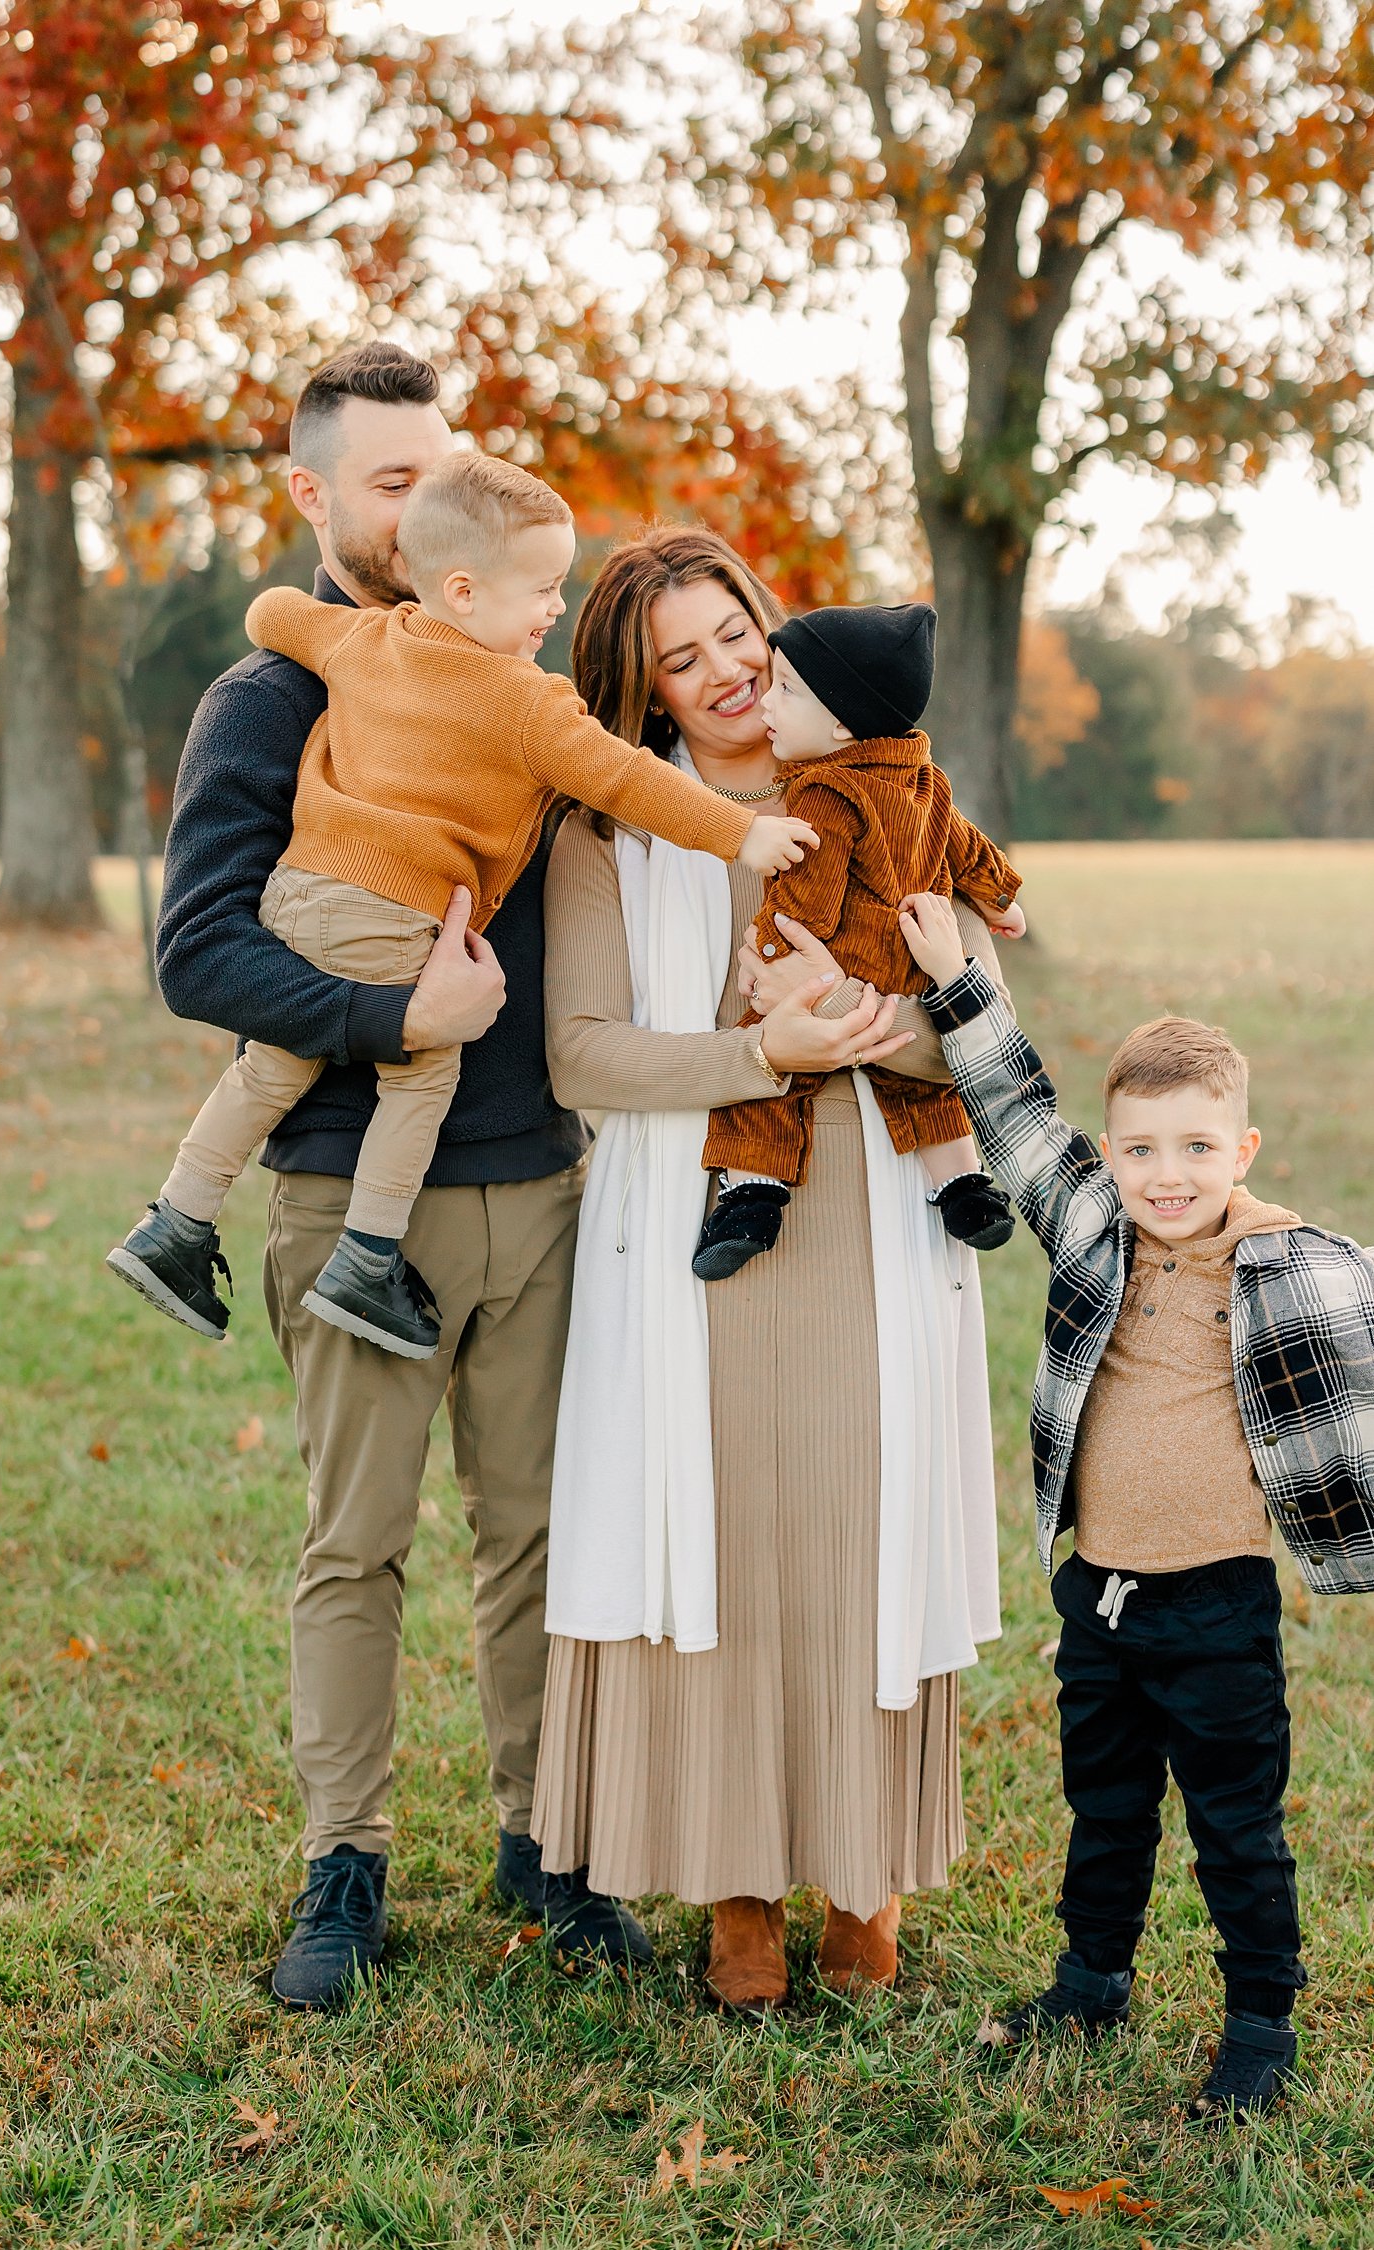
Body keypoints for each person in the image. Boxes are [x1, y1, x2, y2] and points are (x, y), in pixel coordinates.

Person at [151, 341, 653, 2009]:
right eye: (388, 475)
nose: (427, 492)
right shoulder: (274, 697)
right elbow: (201, 954)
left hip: (543, 1192)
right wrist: (388, 1014)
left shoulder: (520, 672)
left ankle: (547, 1844)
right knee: (354, 1547)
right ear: (310, 495)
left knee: (536, 1540)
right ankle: (344, 1868)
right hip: (345, 1192)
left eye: (443, 462)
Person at [531, 526, 1005, 2013]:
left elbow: (981, 1006)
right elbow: (580, 1052)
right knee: (721, 1534)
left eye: (736, 630)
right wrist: (760, 1051)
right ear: (646, 695)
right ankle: (739, 1884)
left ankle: (862, 1874)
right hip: (694, 1210)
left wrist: (871, 1025)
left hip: (878, 1192)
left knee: (862, 1516)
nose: (727, 669)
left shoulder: (888, 778)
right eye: (683, 657)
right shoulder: (610, 833)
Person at [112, 452, 811, 1359]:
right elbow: (629, 778)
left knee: (265, 1073)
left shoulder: (362, 640)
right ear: (466, 593)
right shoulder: (529, 701)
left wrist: (306, 617)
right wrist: (741, 835)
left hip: (303, 902)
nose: (556, 609)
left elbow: (270, 615)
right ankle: (368, 1254)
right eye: (543, 590)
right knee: (423, 1074)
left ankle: (176, 1222)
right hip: (400, 918)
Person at [899, 887, 1374, 2120]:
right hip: (1097, 1598)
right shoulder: (1094, 1230)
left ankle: (1261, 2020)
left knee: (1236, 1829)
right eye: (1144, 1149)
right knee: (1102, 1807)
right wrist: (959, 977)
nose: (1170, 1177)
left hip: (1218, 1608)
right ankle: (1092, 1975)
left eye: (1200, 1149)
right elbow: (1010, 1108)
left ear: (1244, 1152)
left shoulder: (1296, 1266)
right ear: (1114, 1156)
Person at [693, 600, 1025, 1282]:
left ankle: (752, 1196)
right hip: (910, 974)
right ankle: (963, 1187)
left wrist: (773, 957)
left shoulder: (825, 794)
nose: (766, 704)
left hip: (830, 972)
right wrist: (1002, 897)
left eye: (786, 690)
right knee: (928, 1093)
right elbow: (967, 846)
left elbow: (805, 895)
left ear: (842, 722)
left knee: (775, 1082)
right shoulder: (927, 781)